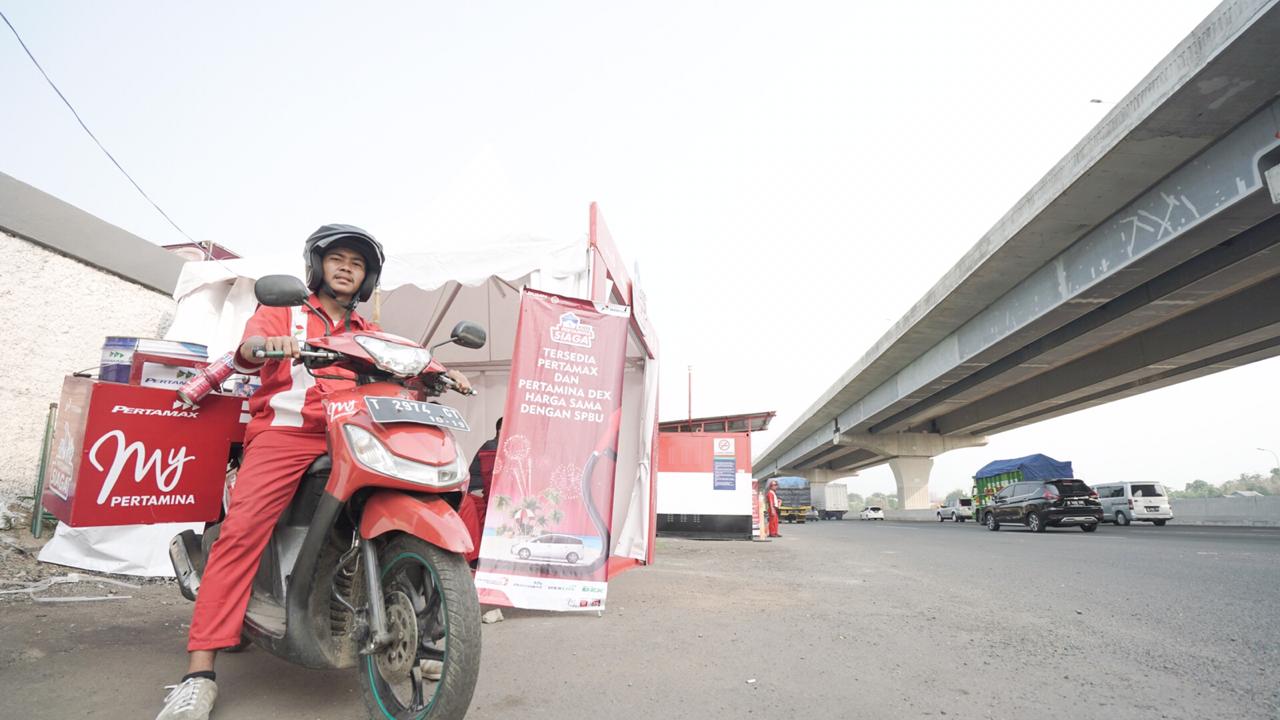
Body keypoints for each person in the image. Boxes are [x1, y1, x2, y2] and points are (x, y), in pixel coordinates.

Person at [155, 224, 471, 720]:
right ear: (317, 266)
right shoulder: (284, 311)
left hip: (356, 428)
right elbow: (248, 348)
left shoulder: (368, 334)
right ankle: (199, 673)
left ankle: (424, 630)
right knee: (242, 532)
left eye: (358, 264)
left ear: (367, 278)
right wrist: (263, 348)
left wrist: (438, 371)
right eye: (338, 259)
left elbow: (406, 360)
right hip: (288, 432)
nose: (347, 268)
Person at [458, 417, 501, 565]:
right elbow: (490, 481)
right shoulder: (492, 446)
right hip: (476, 490)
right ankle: (476, 557)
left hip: (486, 491)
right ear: (501, 430)